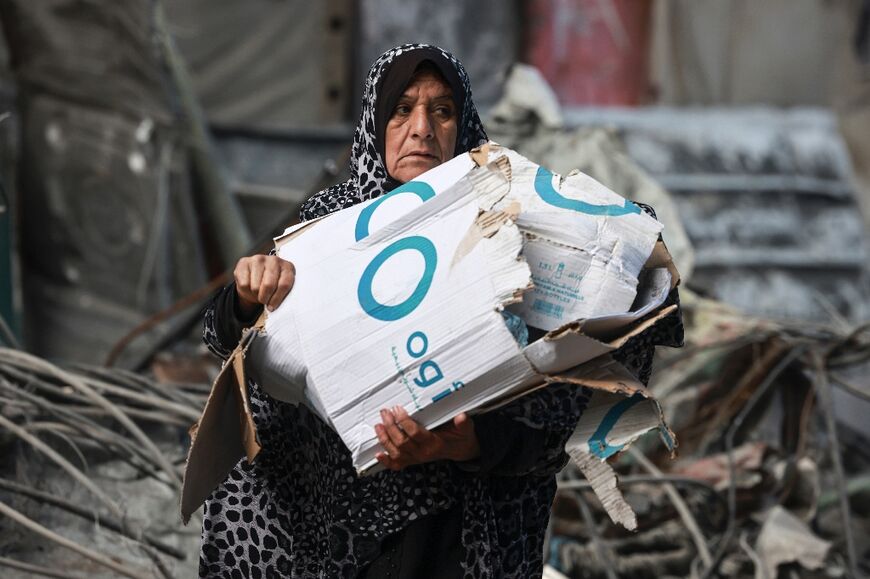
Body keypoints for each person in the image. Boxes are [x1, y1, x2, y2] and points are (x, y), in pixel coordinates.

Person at [199, 44, 682, 578]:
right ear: (376, 124)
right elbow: (229, 345)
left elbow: (556, 417)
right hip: (329, 528)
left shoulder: (512, 223)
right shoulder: (326, 228)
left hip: (460, 532)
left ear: (464, 125)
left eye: (442, 110)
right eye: (402, 109)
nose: (421, 128)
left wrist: (467, 442)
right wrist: (246, 296)